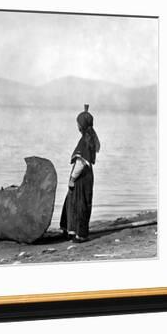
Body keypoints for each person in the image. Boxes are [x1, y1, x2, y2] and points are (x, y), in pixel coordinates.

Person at [60, 104, 101, 243]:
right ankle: (76, 232)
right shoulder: (90, 139)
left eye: (78, 123)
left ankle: (79, 235)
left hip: (81, 178)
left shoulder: (84, 141)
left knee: (78, 205)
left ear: (81, 126)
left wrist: (72, 178)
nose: (76, 125)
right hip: (88, 177)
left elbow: (80, 163)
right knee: (82, 204)